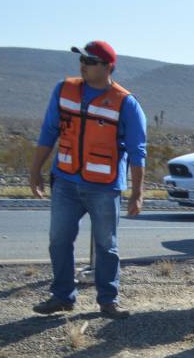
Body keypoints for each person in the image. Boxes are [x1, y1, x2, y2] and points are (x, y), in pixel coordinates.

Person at [29, 41, 147, 319]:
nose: (83, 64)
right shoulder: (64, 90)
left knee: (107, 244)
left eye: (90, 61)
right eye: (82, 59)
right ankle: (62, 297)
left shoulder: (126, 103)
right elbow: (48, 132)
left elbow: (137, 151)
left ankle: (108, 301)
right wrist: (35, 171)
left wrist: (138, 192)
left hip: (104, 186)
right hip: (66, 181)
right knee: (58, 239)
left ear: (108, 67)